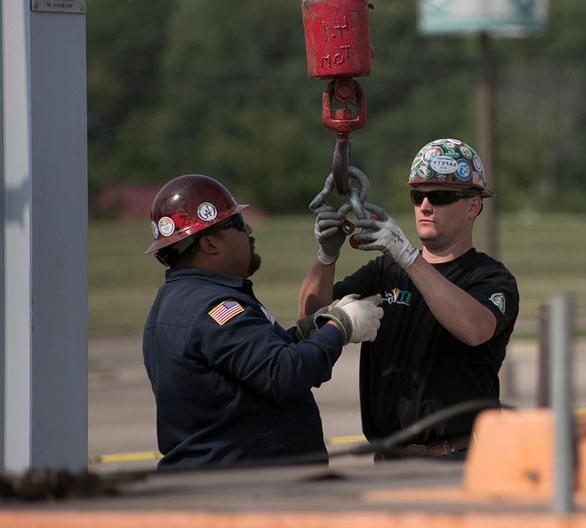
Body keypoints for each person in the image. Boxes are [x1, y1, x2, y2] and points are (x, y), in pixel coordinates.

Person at [142, 174, 383, 470]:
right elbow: (283, 373)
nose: (250, 231)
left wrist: (308, 332)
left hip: (226, 483)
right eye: (239, 224)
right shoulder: (216, 307)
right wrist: (340, 327)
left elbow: (255, 363)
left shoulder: (179, 301)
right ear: (209, 244)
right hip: (240, 491)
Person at [300, 138, 519, 458]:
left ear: (474, 205)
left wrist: (407, 256)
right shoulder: (386, 271)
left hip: (454, 459)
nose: (426, 206)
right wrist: (326, 258)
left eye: (441, 196)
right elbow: (311, 317)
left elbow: (476, 329)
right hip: (388, 458)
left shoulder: (490, 278)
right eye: (418, 195)